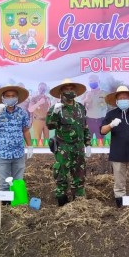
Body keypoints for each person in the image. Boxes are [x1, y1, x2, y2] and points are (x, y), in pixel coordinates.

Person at [46, 78, 92, 206]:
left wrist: (88, 144)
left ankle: (79, 201)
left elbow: (85, 127)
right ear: (61, 91)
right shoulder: (56, 108)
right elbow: (50, 126)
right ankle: (62, 200)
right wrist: (54, 113)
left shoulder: (81, 108)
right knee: (61, 175)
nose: (70, 91)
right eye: (67, 89)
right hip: (63, 148)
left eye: (72, 89)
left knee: (80, 174)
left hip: (78, 148)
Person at [100, 86, 129, 208]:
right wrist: (111, 125)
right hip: (117, 155)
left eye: (125, 97)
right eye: (120, 98)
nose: (123, 100)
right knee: (119, 182)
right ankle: (120, 204)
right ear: (116, 101)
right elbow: (102, 131)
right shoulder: (111, 114)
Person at [0, 85, 34, 195]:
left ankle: (18, 206)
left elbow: (25, 130)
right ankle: (5, 208)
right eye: (7, 96)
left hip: (18, 153)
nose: (10, 98)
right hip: (2, 153)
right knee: (4, 183)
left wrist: (30, 146)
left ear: (17, 98)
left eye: (13, 96)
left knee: (18, 181)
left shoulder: (22, 112)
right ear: (3, 98)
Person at [81, 74, 108, 139]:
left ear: (99, 81)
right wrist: (86, 100)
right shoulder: (86, 94)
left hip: (100, 120)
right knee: (88, 141)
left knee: (100, 141)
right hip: (89, 120)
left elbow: (107, 106)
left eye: (94, 80)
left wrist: (102, 103)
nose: (92, 82)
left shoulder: (104, 93)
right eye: (91, 81)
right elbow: (80, 106)